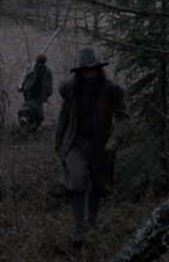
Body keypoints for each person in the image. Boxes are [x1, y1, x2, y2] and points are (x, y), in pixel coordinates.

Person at [55, 47, 130, 248]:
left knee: (98, 183)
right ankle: (78, 229)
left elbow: (123, 118)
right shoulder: (70, 90)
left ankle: (92, 222)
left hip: (101, 144)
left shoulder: (111, 91)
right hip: (76, 143)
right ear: (80, 73)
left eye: (92, 70)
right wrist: (58, 144)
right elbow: (63, 118)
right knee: (77, 177)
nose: (89, 74)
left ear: (98, 70)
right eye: (86, 71)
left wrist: (115, 139)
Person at [17, 54, 53, 132]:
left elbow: (50, 82)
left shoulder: (47, 71)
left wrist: (49, 92)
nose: (40, 64)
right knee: (27, 106)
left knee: (38, 109)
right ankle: (25, 122)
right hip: (29, 91)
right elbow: (24, 76)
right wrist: (20, 85)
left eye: (42, 63)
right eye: (39, 62)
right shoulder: (31, 68)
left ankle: (38, 124)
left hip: (40, 92)